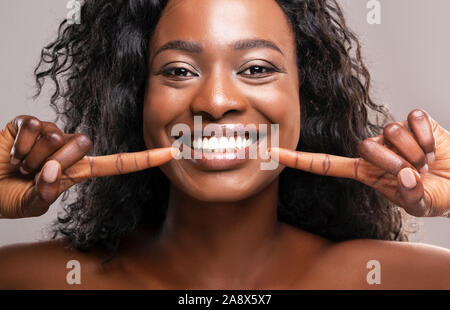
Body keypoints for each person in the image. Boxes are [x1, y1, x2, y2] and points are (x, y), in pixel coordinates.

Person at [0, 0, 449, 289]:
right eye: (178, 70)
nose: (215, 103)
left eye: (256, 68)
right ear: (137, 101)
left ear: (305, 97)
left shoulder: (415, 279)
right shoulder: (26, 279)